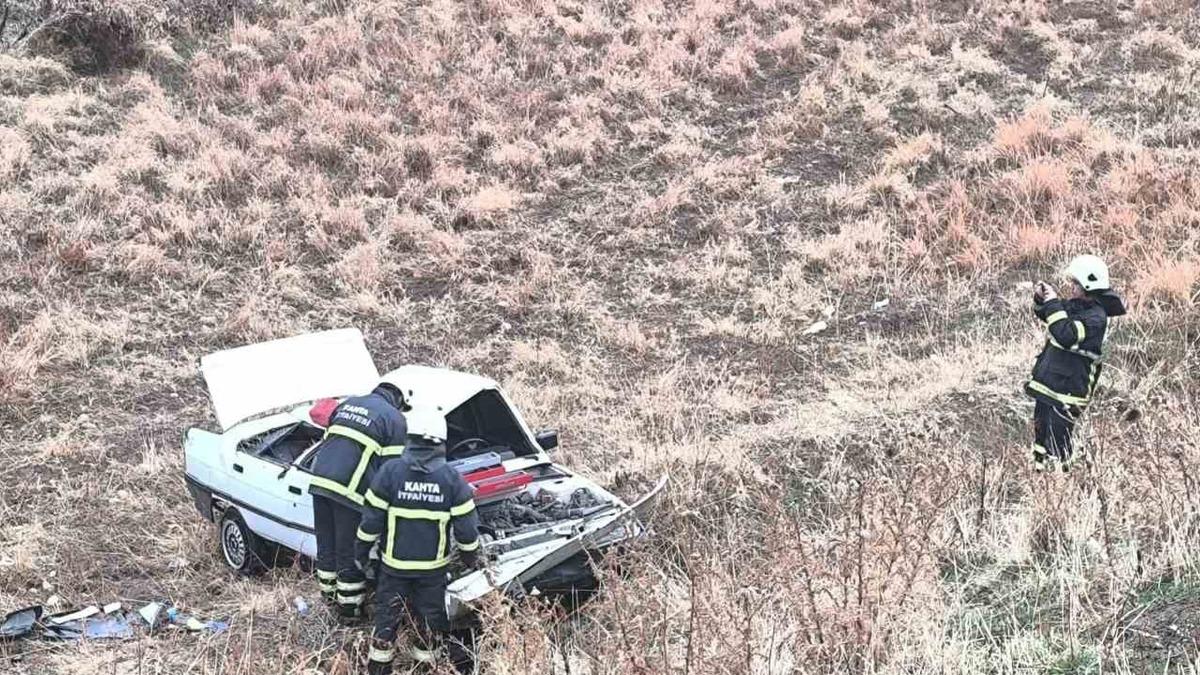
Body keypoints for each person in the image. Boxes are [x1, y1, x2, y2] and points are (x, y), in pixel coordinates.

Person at [356, 407, 482, 674]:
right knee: (430, 623)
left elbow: (370, 522)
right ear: (441, 441)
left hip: (394, 569)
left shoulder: (390, 472)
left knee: (386, 621)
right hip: (432, 573)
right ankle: (423, 669)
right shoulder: (451, 479)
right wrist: (470, 558)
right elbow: (467, 530)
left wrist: (362, 552)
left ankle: (379, 670)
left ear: (409, 437)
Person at [309, 382, 409, 619]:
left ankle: (328, 600)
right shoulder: (394, 418)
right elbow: (391, 469)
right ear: (398, 401)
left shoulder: (348, 404)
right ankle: (349, 611)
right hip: (350, 490)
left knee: (327, 547)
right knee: (349, 552)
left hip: (320, 482)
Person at [1025, 254, 1126, 472]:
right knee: (1041, 431)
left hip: (1069, 391)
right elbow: (1051, 315)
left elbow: (1066, 334)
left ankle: (1062, 478)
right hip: (1050, 385)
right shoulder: (1077, 306)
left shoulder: (1096, 318)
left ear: (1088, 286)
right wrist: (1042, 300)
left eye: (1076, 284)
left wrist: (1053, 303)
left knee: (1059, 438)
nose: (1072, 288)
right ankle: (1040, 474)